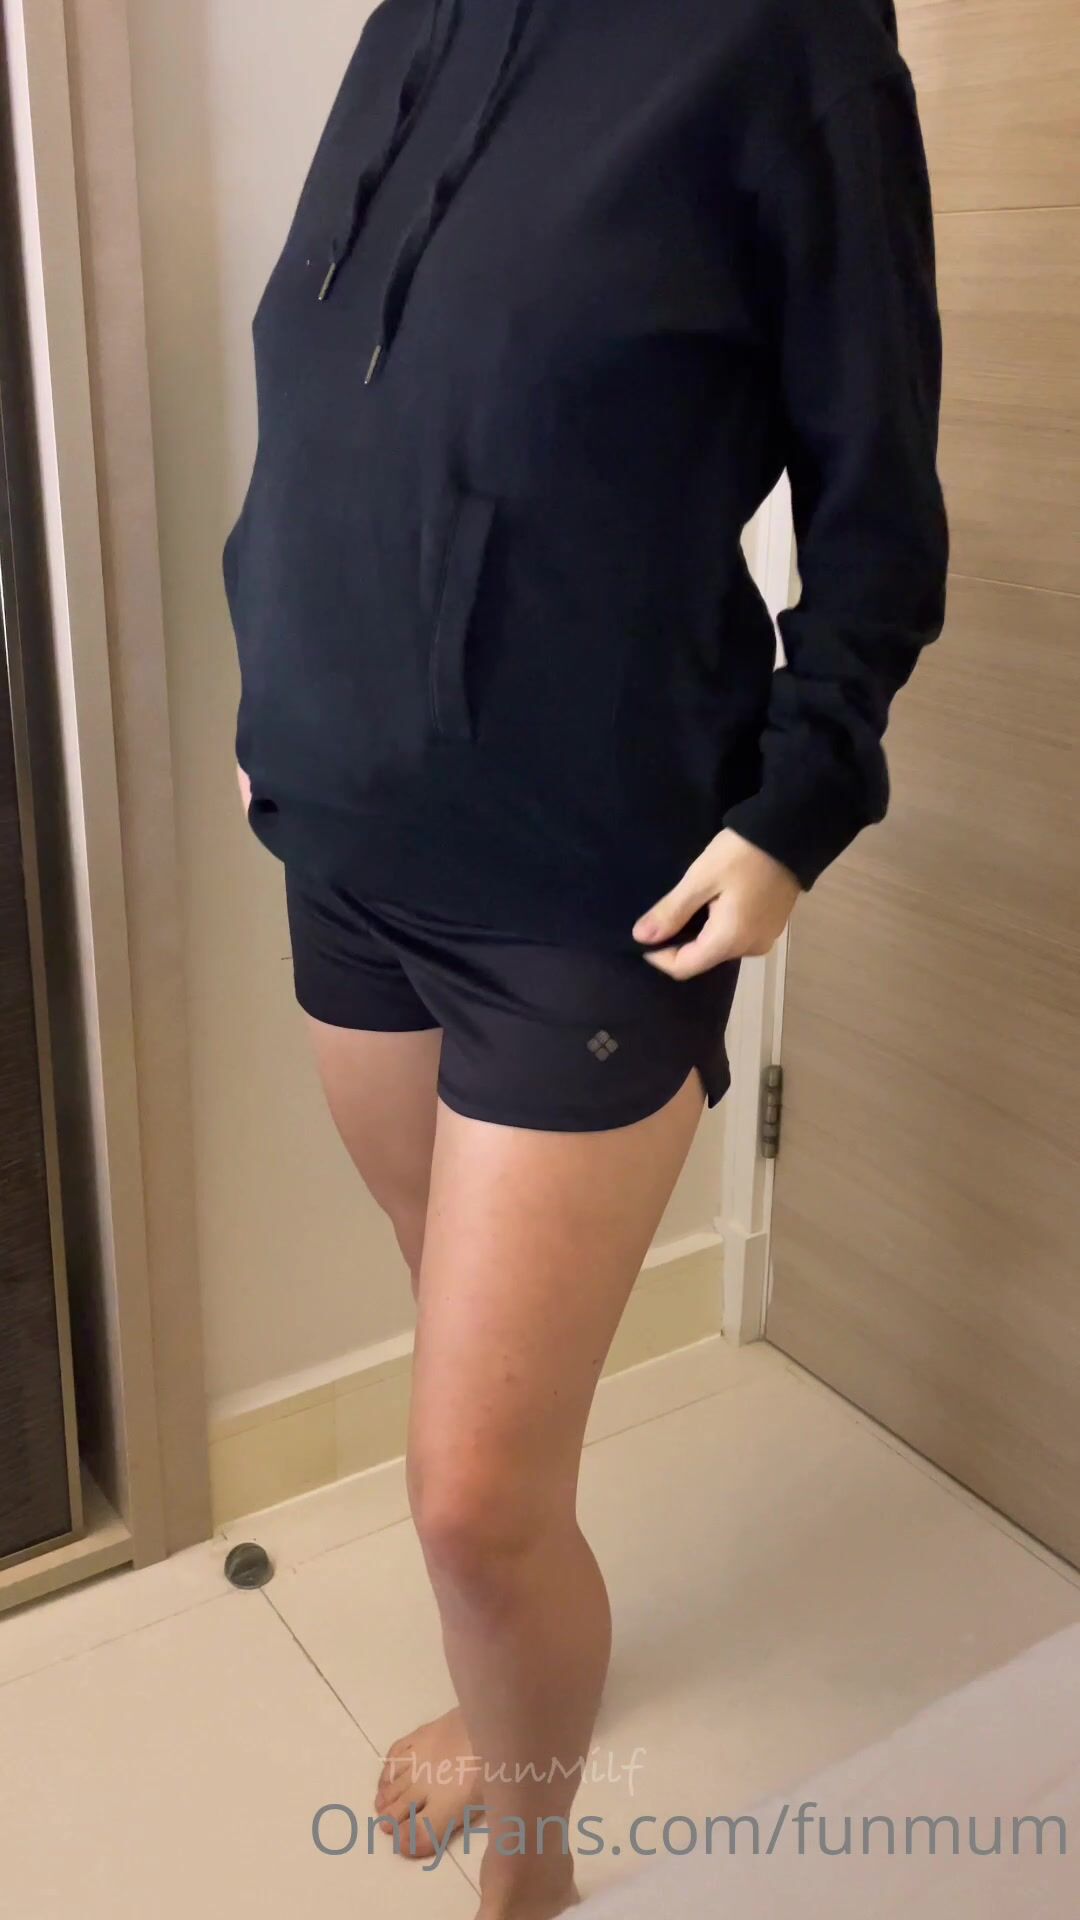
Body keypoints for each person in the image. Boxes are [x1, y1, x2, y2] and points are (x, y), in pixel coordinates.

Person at [222, 0, 948, 1912]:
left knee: (469, 1501)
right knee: (467, 1374)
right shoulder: (413, 23)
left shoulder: (783, 40)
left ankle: (531, 1870)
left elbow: (879, 500)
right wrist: (275, 677)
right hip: (349, 849)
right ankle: (508, 1701)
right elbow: (325, 410)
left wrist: (798, 803)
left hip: (593, 891)